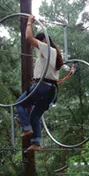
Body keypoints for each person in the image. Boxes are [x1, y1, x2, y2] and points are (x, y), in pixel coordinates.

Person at [16, 15, 63, 152]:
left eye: (39, 42)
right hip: (50, 90)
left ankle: (26, 128)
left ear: (43, 41)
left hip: (42, 87)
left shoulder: (48, 49)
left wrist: (29, 23)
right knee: (35, 115)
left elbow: (28, 38)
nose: (37, 46)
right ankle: (36, 142)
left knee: (19, 103)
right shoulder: (53, 54)